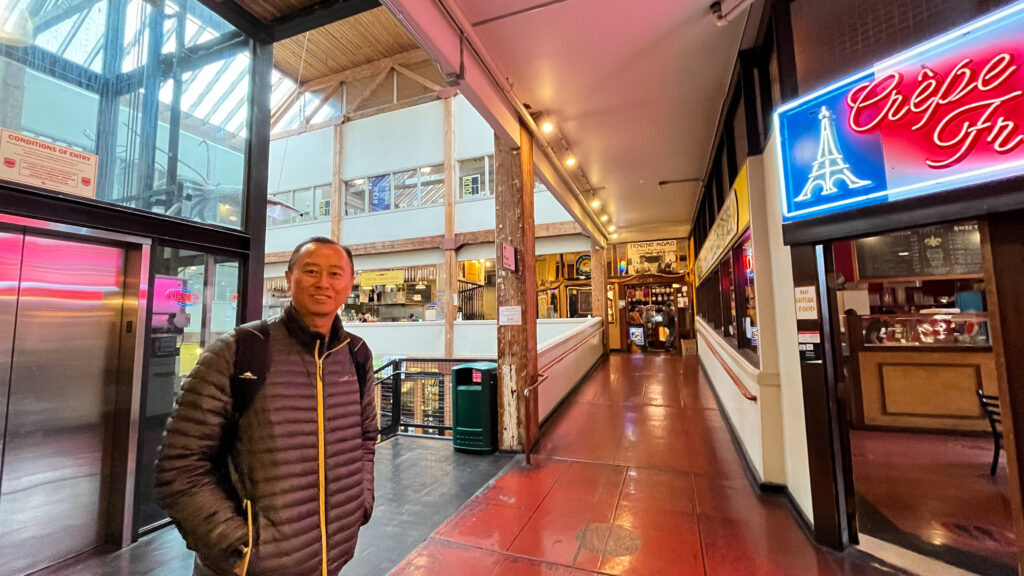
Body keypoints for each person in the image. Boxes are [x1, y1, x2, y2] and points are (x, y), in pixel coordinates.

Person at [155, 237, 378, 576]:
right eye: (311, 271)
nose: (323, 282)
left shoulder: (356, 355)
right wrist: (236, 548)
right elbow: (179, 467)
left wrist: (361, 502)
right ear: (289, 279)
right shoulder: (240, 351)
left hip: (330, 560)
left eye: (335, 273)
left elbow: (366, 437)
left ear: (350, 283)